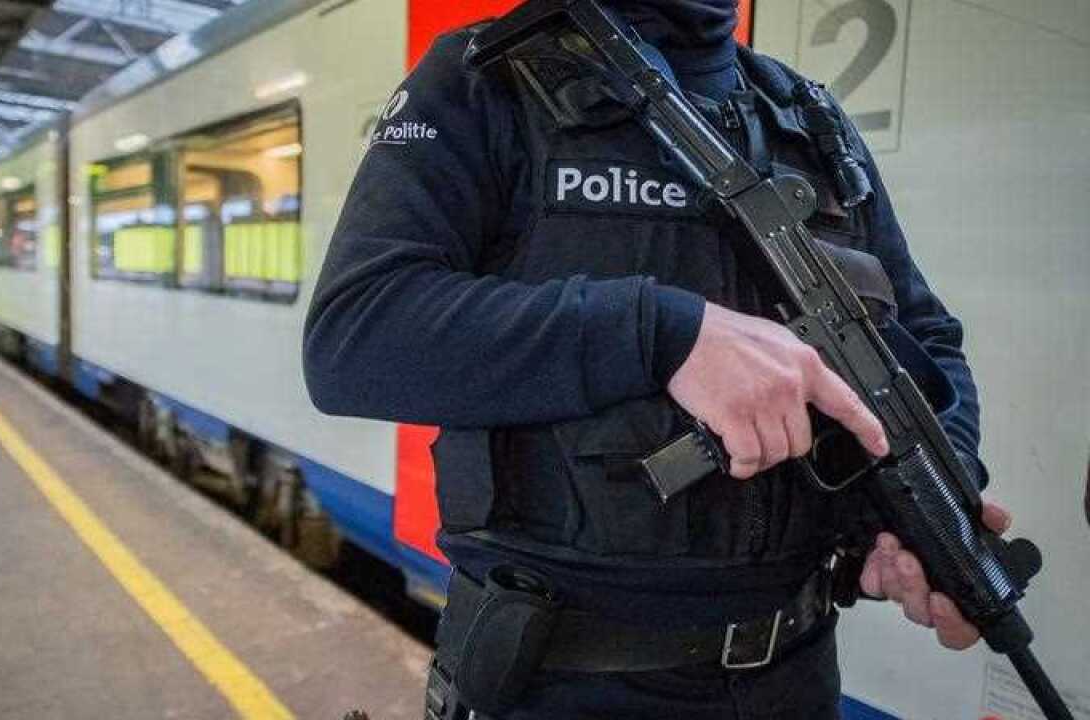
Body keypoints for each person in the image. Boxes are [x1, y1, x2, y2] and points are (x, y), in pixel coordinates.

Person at [303, 1, 1012, 717]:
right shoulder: (486, 79)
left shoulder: (808, 121)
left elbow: (923, 338)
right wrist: (663, 334)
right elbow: (354, 335)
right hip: (562, 683)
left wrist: (922, 514)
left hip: (795, 677)